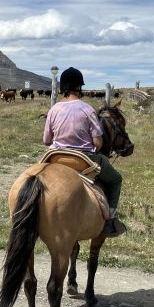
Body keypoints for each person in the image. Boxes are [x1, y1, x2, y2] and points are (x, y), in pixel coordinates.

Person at [43, 67, 126, 237]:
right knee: (116, 179)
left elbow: (46, 140)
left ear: (63, 88)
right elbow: (97, 142)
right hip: (83, 159)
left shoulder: (54, 109)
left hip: (55, 158)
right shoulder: (87, 109)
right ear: (79, 88)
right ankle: (109, 219)